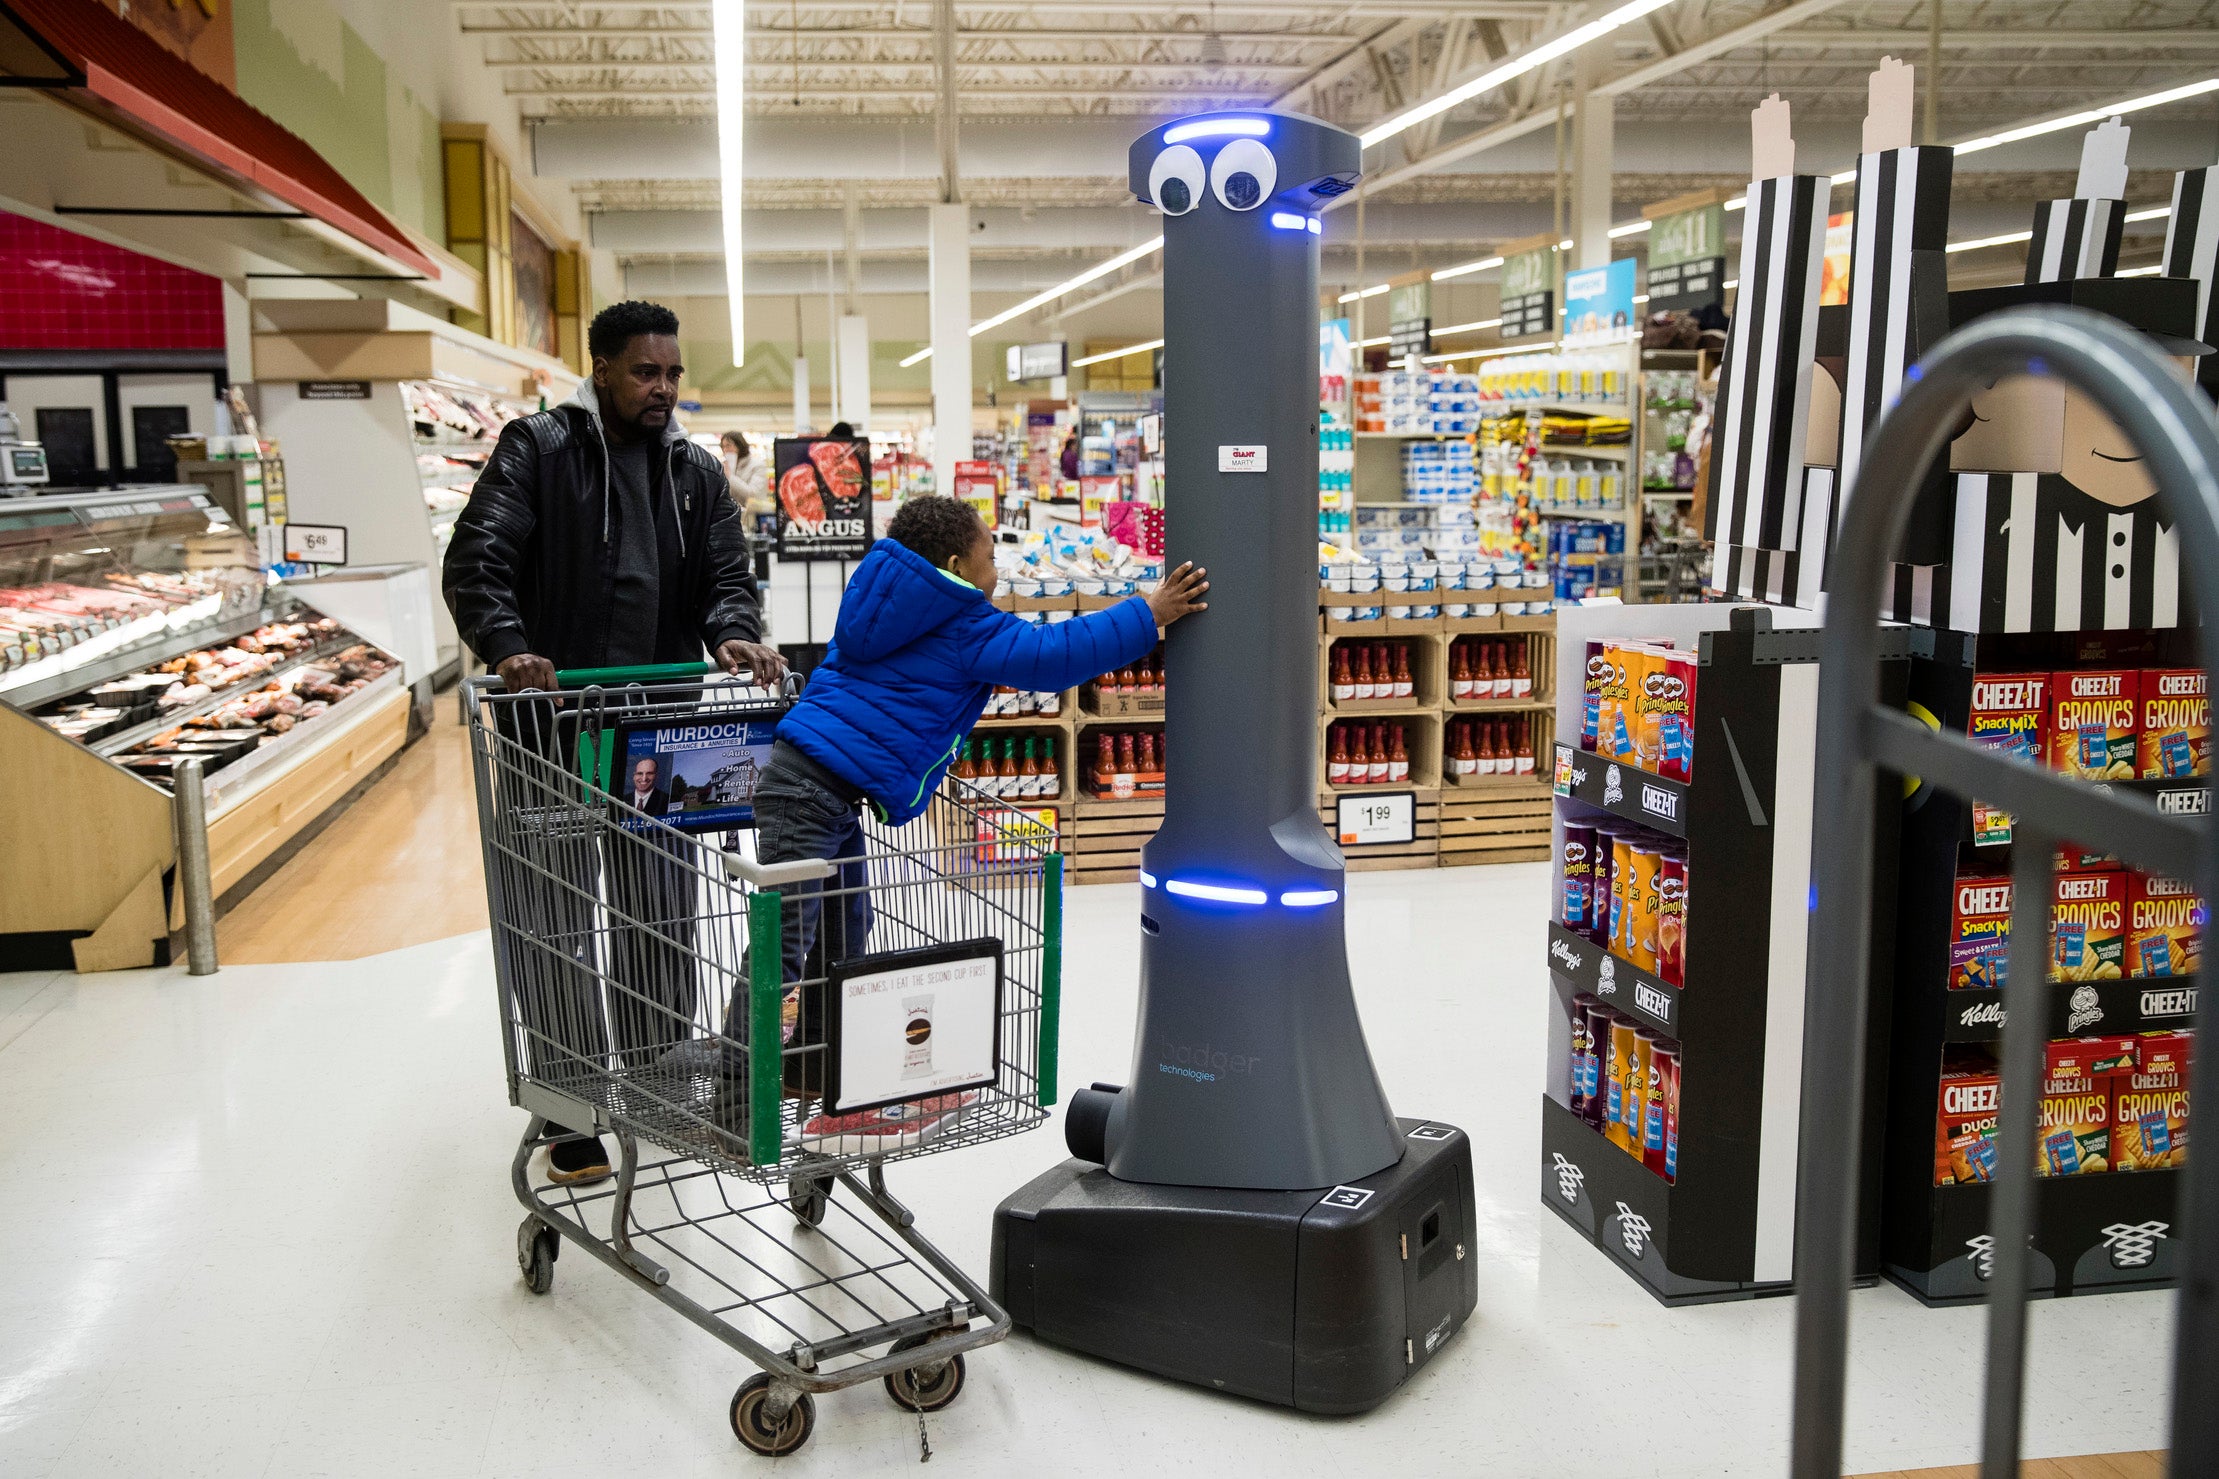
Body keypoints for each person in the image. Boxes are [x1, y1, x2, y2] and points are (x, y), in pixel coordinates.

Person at [722, 496, 1208, 1144]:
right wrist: (1147, 615)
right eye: (987, 552)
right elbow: (1053, 655)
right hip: (813, 790)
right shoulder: (964, 624)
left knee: (843, 930)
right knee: (786, 939)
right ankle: (732, 1090)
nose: (995, 564)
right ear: (954, 563)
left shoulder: (882, 594)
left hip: (815, 784)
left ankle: (808, 1065)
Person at [446, 298, 786, 1186]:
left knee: (660, 908)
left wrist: (733, 630)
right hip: (550, 729)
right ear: (600, 368)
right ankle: (569, 1106)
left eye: (672, 372)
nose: (663, 387)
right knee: (554, 919)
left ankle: (651, 1071)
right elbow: (477, 558)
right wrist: (508, 643)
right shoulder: (540, 448)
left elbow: (724, 575)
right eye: (645, 371)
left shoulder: (694, 471)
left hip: (657, 733)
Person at [720, 430, 770, 517]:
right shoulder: (726, 467)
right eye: (723, 447)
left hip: (754, 518)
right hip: (732, 519)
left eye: (728, 445)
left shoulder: (757, 465)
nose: (725, 450)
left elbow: (753, 495)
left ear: (740, 445)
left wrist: (730, 477)